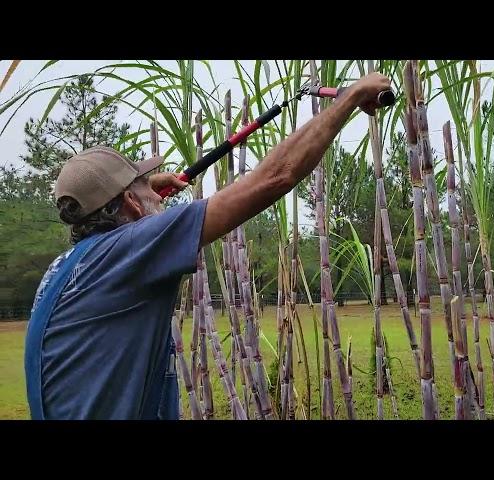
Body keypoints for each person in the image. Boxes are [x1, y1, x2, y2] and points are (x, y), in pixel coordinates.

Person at [24, 72, 391, 420]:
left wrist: (142, 191)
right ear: (131, 205)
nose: (157, 196)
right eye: (144, 189)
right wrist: (351, 98)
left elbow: (126, 220)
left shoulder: (71, 266)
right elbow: (275, 178)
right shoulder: (130, 248)